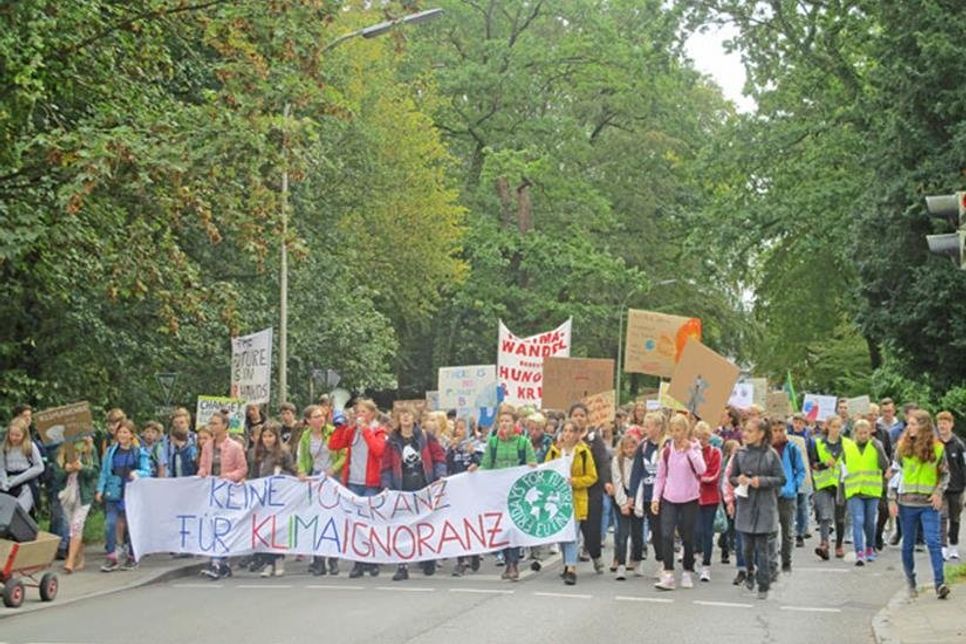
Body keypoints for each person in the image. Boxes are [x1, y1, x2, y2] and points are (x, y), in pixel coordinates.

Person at [888, 409, 950, 599]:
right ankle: (911, 580)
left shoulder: (938, 448)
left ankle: (940, 583)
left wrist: (939, 491)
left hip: (928, 503)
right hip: (906, 503)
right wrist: (891, 498)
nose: (909, 428)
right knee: (907, 544)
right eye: (909, 424)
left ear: (924, 426)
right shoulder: (901, 447)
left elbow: (945, 473)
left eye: (914, 424)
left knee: (933, 542)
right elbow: (894, 473)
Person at [382, 406, 447, 581]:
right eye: (401, 414)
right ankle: (402, 565)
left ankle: (427, 558)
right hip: (402, 488)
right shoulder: (392, 441)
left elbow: (439, 457)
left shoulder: (426, 438)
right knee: (403, 527)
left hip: (424, 487)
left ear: (414, 418)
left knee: (425, 524)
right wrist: (387, 485)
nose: (405, 417)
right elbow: (386, 466)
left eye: (408, 413)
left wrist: (440, 475)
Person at [474, 405, 537, 581]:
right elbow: (486, 464)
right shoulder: (493, 443)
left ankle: (513, 564)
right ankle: (508, 560)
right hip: (499, 493)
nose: (504, 424)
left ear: (515, 423)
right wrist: (475, 471)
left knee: (513, 528)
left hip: (518, 493)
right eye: (501, 421)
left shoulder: (523, 443)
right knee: (503, 528)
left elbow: (532, 462)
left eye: (507, 421)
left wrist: (532, 465)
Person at [329, 399, 387, 579]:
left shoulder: (379, 431)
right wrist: (341, 425)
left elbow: (379, 451)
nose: (359, 414)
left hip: (371, 483)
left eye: (363, 411)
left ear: (371, 414)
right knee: (356, 524)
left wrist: (366, 431)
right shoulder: (352, 431)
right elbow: (334, 445)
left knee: (370, 523)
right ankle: (359, 562)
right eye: (357, 411)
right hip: (354, 482)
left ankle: (373, 560)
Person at [729, 417, 785, 599]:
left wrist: (761, 481)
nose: (745, 434)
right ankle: (750, 572)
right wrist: (740, 480)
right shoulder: (740, 453)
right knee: (746, 547)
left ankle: (764, 584)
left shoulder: (771, 454)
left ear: (761, 434)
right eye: (745, 430)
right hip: (745, 505)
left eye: (750, 431)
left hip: (764, 505)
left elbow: (781, 479)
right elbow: (732, 477)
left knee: (762, 547)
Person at [651, 414, 706, 591]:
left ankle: (687, 570)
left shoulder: (695, 448)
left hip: (690, 498)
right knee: (666, 534)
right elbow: (660, 477)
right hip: (670, 498)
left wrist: (690, 450)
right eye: (673, 430)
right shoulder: (666, 451)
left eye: (679, 430)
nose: (676, 434)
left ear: (686, 430)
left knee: (687, 536)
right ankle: (668, 572)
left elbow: (702, 469)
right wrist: (655, 498)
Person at [198, 411, 248, 580]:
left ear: (225, 426)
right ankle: (219, 562)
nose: (213, 426)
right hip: (212, 492)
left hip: (227, 492)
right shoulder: (207, 446)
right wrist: (203, 472)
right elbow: (203, 465)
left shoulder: (235, 446)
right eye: (211, 423)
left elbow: (242, 468)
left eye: (216, 423)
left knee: (223, 527)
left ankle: (218, 562)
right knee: (213, 526)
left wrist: (229, 477)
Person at [546, 420, 597, 585]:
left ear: (576, 435)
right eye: (565, 431)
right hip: (557, 499)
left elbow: (592, 476)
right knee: (562, 534)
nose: (567, 434)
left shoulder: (583, 453)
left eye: (570, 431)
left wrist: (575, 481)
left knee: (572, 534)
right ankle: (566, 563)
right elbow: (546, 471)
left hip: (576, 498)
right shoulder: (554, 451)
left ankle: (571, 568)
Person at [96, 420, 151, 572]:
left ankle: (132, 555)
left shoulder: (139, 452)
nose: (122, 435)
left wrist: (137, 473)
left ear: (132, 435)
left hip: (131, 493)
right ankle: (112, 556)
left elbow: (147, 471)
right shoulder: (110, 451)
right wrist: (100, 489)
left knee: (131, 523)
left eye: (125, 432)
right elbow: (105, 472)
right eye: (120, 432)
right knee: (111, 524)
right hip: (114, 491)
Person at [297, 403, 345, 576]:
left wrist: (334, 469)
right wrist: (302, 470)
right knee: (317, 520)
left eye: (321, 416)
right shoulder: (306, 436)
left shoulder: (333, 432)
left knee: (332, 520)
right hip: (315, 479)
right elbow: (302, 457)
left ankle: (333, 560)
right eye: (316, 417)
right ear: (308, 420)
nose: (320, 419)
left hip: (333, 479)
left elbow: (344, 455)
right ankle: (318, 562)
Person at [569, 402, 613, 575]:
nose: (578, 418)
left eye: (582, 415)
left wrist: (606, 482)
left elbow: (602, 462)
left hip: (591, 489)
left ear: (587, 418)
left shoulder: (595, 438)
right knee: (570, 528)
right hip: (571, 489)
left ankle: (595, 555)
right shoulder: (564, 437)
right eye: (575, 415)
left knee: (591, 527)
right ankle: (569, 563)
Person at [251, 422, 296, 577]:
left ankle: (279, 560)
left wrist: (281, 472)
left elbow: (293, 472)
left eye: (270, 436)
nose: (267, 439)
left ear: (276, 437)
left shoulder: (284, 453)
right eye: (264, 436)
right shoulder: (257, 453)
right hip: (263, 498)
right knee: (265, 531)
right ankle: (268, 563)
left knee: (277, 530)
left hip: (278, 497)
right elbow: (254, 475)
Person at [842, 419, 888, 566]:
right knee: (858, 520)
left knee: (869, 522)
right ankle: (859, 551)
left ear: (870, 433)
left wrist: (879, 449)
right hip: (854, 490)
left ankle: (869, 547)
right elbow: (842, 471)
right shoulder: (848, 448)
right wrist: (840, 493)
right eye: (860, 433)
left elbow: (884, 465)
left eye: (865, 433)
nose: (863, 436)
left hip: (872, 490)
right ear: (855, 433)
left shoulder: (876, 445)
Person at [52, 437, 98, 573]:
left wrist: (82, 468)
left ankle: (70, 560)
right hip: (67, 495)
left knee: (76, 525)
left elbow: (95, 471)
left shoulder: (90, 449)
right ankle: (79, 554)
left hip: (84, 496)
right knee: (72, 525)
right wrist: (66, 470)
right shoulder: (61, 450)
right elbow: (56, 475)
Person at [630, 412, 668, 577]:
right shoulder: (643, 446)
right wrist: (632, 494)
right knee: (638, 530)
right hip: (644, 493)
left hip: (661, 495)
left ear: (658, 427)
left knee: (658, 530)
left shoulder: (667, 444)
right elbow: (636, 471)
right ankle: (636, 559)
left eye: (649, 425)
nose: (646, 428)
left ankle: (662, 561)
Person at [446, 417, 481, 576]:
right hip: (456, 490)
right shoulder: (453, 448)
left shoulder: (476, 445)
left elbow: (482, 463)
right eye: (457, 428)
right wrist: (450, 450)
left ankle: (473, 552)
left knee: (471, 524)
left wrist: (475, 456)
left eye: (463, 428)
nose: (459, 431)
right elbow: (447, 465)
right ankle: (461, 561)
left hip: (472, 491)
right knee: (457, 525)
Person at [771, 418, 806, 575]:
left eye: (781, 430)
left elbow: (801, 470)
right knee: (770, 531)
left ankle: (786, 560)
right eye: (775, 430)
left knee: (787, 531)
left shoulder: (792, 449)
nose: (778, 434)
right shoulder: (766, 449)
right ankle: (771, 561)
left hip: (787, 494)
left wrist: (795, 485)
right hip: (770, 494)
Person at [811, 416, 846, 560]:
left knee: (840, 517)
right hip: (823, 483)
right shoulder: (817, 443)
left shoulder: (847, 444)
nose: (836, 430)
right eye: (833, 426)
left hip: (841, 484)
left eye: (839, 427)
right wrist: (824, 464)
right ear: (827, 426)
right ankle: (824, 544)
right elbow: (813, 464)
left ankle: (838, 545)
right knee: (825, 515)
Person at [693, 421, 722, 582]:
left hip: (710, 498)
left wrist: (698, 478)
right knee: (695, 531)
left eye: (704, 438)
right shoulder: (692, 451)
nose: (701, 441)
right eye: (698, 437)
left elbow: (714, 475)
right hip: (693, 498)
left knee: (707, 532)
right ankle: (697, 554)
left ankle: (706, 565)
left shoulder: (715, 453)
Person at [611, 433, 642, 580]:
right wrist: (623, 503)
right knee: (622, 533)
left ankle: (637, 560)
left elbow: (642, 480)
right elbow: (617, 482)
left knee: (637, 533)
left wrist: (635, 500)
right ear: (622, 448)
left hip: (638, 496)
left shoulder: (640, 460)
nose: (630, 450)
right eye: (627, 447)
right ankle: (621, 564)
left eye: (633, 447)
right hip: (622, 495)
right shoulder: (617, 461)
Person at [0, 418, 45, 513]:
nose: (14, 438)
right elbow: (1, 467)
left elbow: (39, 467)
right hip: (8, 482)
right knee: (4, 511)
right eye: (11, 435)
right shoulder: (4, 447)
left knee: (18, 512)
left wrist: (16, 481)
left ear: (24, 435)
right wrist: (4, 481)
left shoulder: (30, 446)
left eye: (17, 435)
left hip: (26, 482)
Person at [936, 411, 964, 560]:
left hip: (956, 487)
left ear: (951, 425)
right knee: (941, 516)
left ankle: (953, 544)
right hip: (940, 487)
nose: (942, 426)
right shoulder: (934, 443)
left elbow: (964, 466)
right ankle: (943, 546)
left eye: (945, 423)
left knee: (955, 517)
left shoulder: (959, 445)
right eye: (940, 424)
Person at [787, 413, 813, 547]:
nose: (797, 425)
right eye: (795, 422)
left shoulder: (809, 439)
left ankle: (800, 533)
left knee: (802, 503)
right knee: (791, 504)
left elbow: (811, 456)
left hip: (804, 474)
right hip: (789, 473)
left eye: (800, 422)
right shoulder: (787, 436)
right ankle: (791, 531)